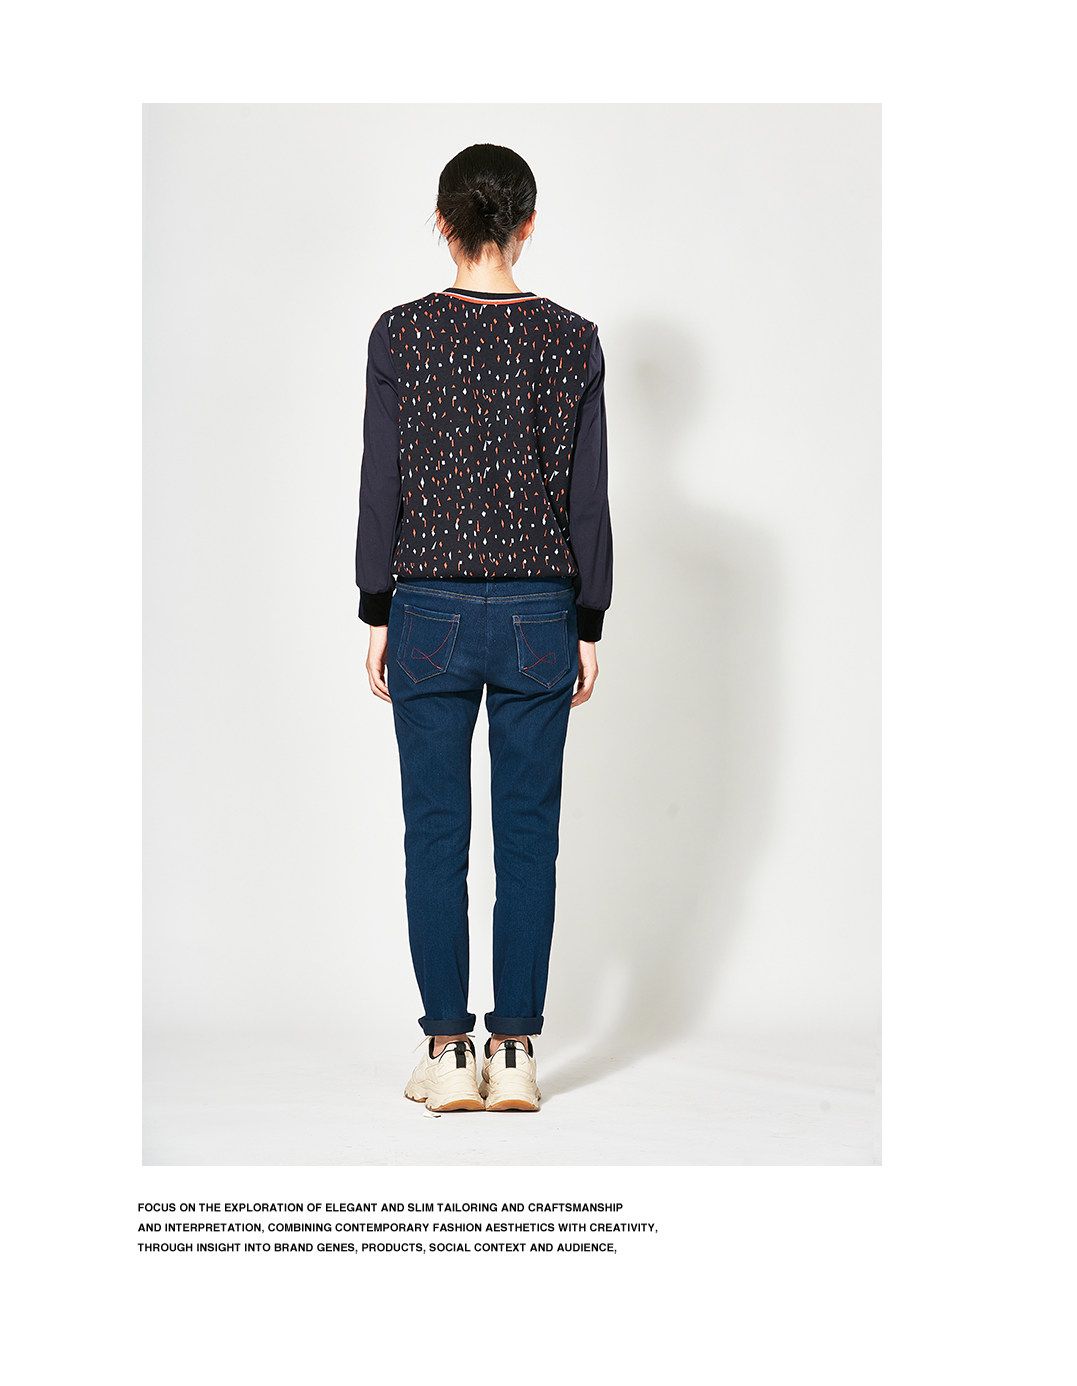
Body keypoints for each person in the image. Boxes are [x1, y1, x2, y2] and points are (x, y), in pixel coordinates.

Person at [354, 143, 613, 1113]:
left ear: (442, 222)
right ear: (527, 224)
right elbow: (588, 496)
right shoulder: (571, 339)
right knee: (529, 837)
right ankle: (515, 1055)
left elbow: (381, 479)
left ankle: (447, 1051)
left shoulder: (400, 335)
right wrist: (588, 619)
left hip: (426, 607)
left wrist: (375, 606)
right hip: (541, 612)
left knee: (435, 835)